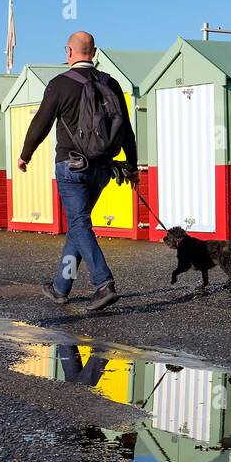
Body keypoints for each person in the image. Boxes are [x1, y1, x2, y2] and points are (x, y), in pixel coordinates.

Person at [18, 30, 138, 312]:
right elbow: (127, 132)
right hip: (103, 169)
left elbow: (41, 123)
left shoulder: (60, 84)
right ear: (94, 53)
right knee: (78, 224)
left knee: (79, 223)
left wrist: (25, 154)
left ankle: (103, 283)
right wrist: (132, 167)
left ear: (68, 52)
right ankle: (61, 287)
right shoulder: (111, 83)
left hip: (71, 166)